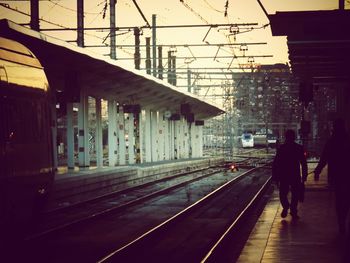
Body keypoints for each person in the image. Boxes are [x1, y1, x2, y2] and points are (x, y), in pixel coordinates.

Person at [314, 118, 350, 235]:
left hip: (337, 175)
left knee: (340, 200)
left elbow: (324, 157)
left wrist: (318, 171)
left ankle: (341, 222)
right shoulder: (347, 139)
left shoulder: (332, 141)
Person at [272, 129, 308, 219]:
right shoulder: (299, 148)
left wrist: (275, 176)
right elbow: (303, 163)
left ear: (285, 137)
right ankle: (293, 210)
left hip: (284, 175)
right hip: (295, 174)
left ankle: (286, 206)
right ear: (294, 137)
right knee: (295, 194)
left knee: (283, 193)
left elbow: (276, 163)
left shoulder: (282, 148)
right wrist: (304, 175)